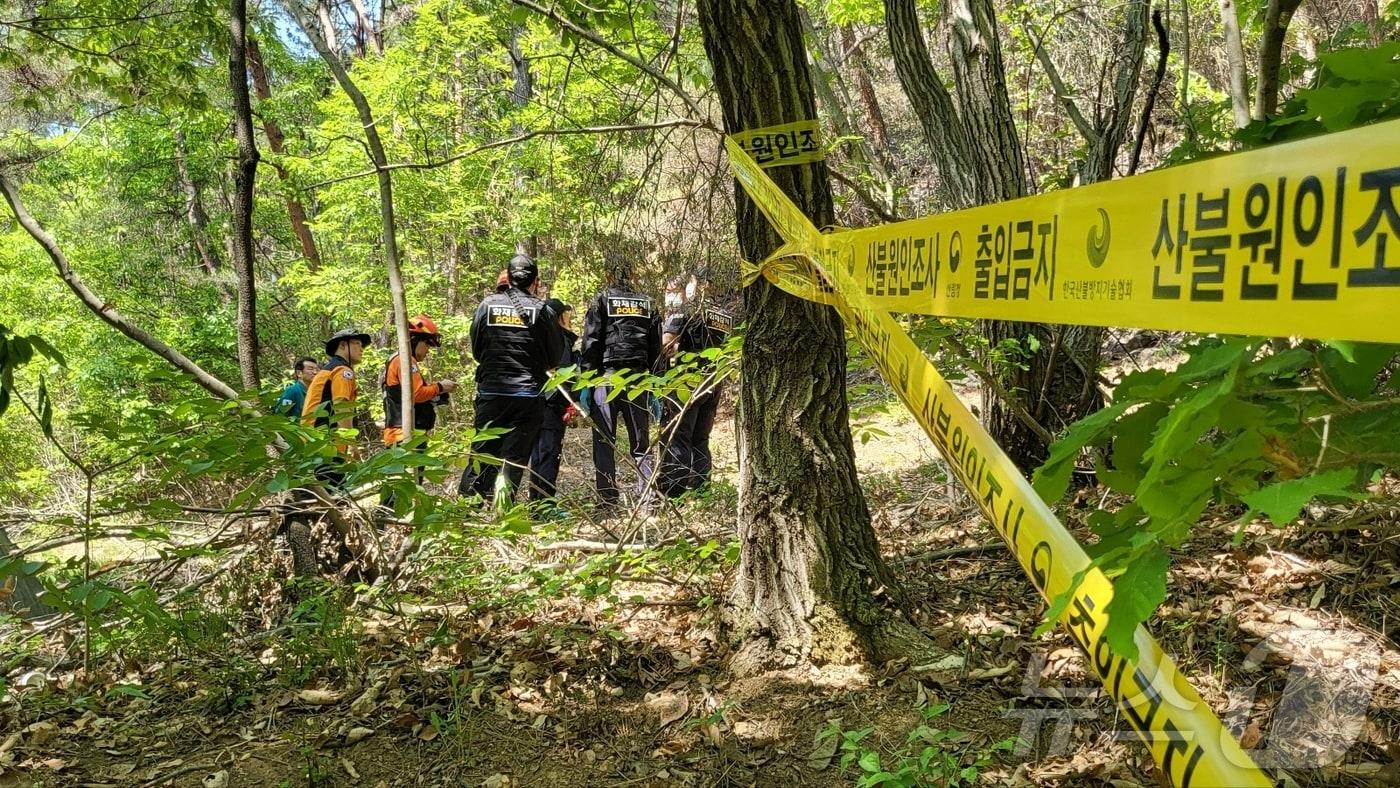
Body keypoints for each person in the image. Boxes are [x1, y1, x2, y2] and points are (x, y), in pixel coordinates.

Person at [458, 253, 564, 505]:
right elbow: (555, 357)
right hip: (527, 396)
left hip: (491, 393)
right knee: (514, 459)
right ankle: (503, 511)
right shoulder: (543, 310)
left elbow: (476, 350)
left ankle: (465, 510)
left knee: (482, 453)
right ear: (536, 281)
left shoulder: (486, 305)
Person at [581, 257, 661, 506]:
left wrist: (586, 381)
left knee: (604, 441)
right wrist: (655, 382)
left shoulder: (601, 300)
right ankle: (647, 496)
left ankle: (607, 499)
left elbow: (591, 342)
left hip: (606, 379)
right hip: (638, 380)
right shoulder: (648, 304)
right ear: (633, 275)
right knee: (641, 442)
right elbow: (655, 347)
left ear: (609, 275)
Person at [658, 270, 735, 496]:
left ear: (698, 284)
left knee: (680, 435)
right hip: (714, 381)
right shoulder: (722, 314)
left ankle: (675, 492)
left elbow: (666, 343)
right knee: (700, 439)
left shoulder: (688, 311)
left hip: (688, 382)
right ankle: (702, 490)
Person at [528, 299, 586, 507]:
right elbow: (562, 374)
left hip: (543, 403)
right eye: (566, 314)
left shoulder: (547, 339)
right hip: (550, 404)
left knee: (541, 453)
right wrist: (572, 398)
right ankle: (544, 504)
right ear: (559, 317)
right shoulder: (558, 340)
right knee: (547, 453)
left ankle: (537, 503)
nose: (569, 318)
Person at [302, 327, 371, 487]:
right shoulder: (342, 371)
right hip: (326, 444)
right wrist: (352, 443)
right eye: (357, 343)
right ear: (342, 345)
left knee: (324, 495)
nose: (361, 349)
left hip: (314, 442)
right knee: (334, 496)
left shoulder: (328, 369)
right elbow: (341, 406)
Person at [381, 315, 457, 447]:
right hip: (404, 434)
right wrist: (440, 387)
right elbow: (417, 394)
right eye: (427, 344)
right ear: (414, 340)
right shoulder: (404, 361)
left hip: (409, 432)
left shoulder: (401, 360)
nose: (428, 350)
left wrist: (436, 396)